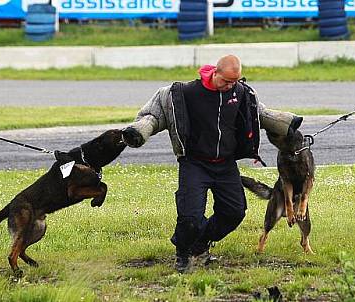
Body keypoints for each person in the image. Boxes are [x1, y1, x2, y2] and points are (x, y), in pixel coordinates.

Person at [122, 55, 302, 273]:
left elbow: (260, 114)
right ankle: (183, 253)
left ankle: (200, 244)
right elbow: (154, 115)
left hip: (225, 163)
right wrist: (139, 131)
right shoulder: (184, 93)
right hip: (194, 163)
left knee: (234, 212)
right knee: (190, 217)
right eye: (226, 81)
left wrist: (287, 124)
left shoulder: (241, 92)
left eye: (234, 82)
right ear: (214, 73)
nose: (230, 86)